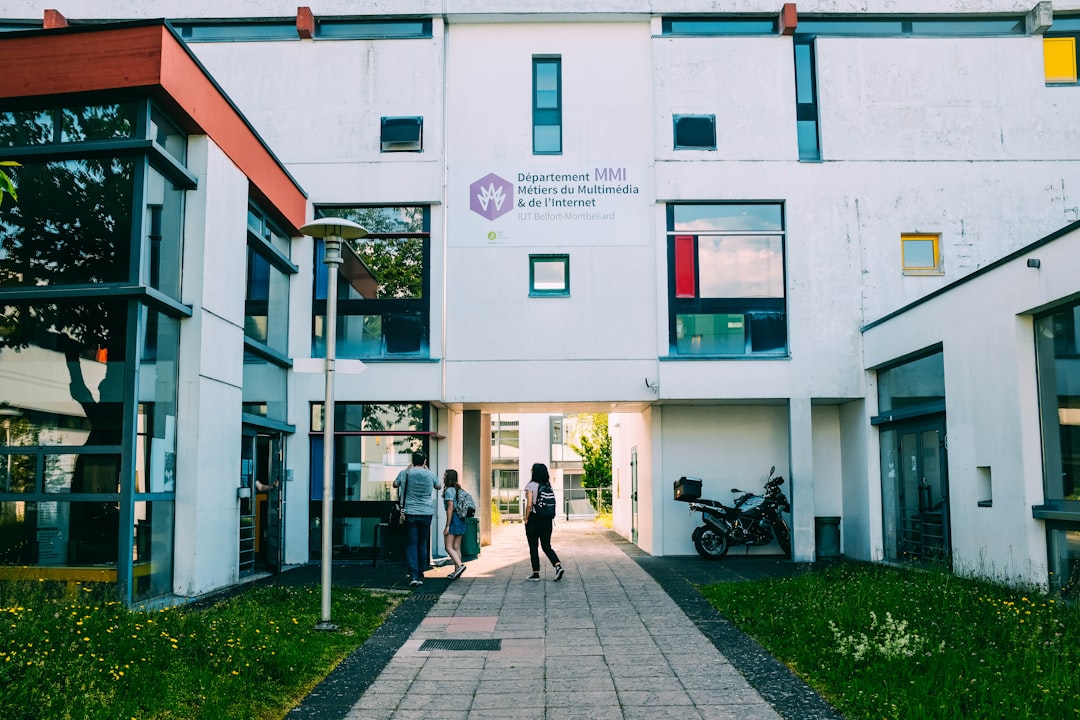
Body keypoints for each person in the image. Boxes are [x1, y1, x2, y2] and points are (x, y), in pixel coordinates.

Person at [393, 451, 441, 586]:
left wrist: (407, 471)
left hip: (410, 513)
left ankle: (413, 576)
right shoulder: (430, 474)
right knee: (422, 543)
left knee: (412, 543)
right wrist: (428, 471)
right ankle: (421, 574)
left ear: (412, 461)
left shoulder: (405, 473)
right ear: (425, 461)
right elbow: (438, 486)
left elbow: (395, 485)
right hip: (426, 513)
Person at [523, 462, 564, 582]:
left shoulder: (531, 485)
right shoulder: (547, 485)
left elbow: (529, 504)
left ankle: (536, 573)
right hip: (547, 520)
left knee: (533, 546)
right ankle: (558, 566)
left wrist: (526, 518)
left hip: (534, 519)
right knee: (546, 546)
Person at [442, 469, 467, 580]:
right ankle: (457, 572)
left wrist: (447, 525)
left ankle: (460, 566)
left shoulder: (449, 491)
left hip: (454, 519)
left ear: (448, 478)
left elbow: (450, 508)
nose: (443, 477)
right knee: (456, 547)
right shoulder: (459, 489)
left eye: (444, 475)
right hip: (461, 518)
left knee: (448, 547)